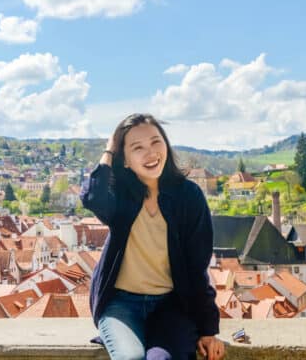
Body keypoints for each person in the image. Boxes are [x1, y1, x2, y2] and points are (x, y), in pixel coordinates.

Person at [81, 114, 225, 360]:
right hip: (120, 304)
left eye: (156, 142)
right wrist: (108, 150)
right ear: (124, 160)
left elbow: (197, 266)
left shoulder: (188, 197)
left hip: (170, 306)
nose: (150, 153)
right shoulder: (120, 195)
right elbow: (93, 197)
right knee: (129, 357)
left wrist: (208, 329)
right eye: (137, 148)